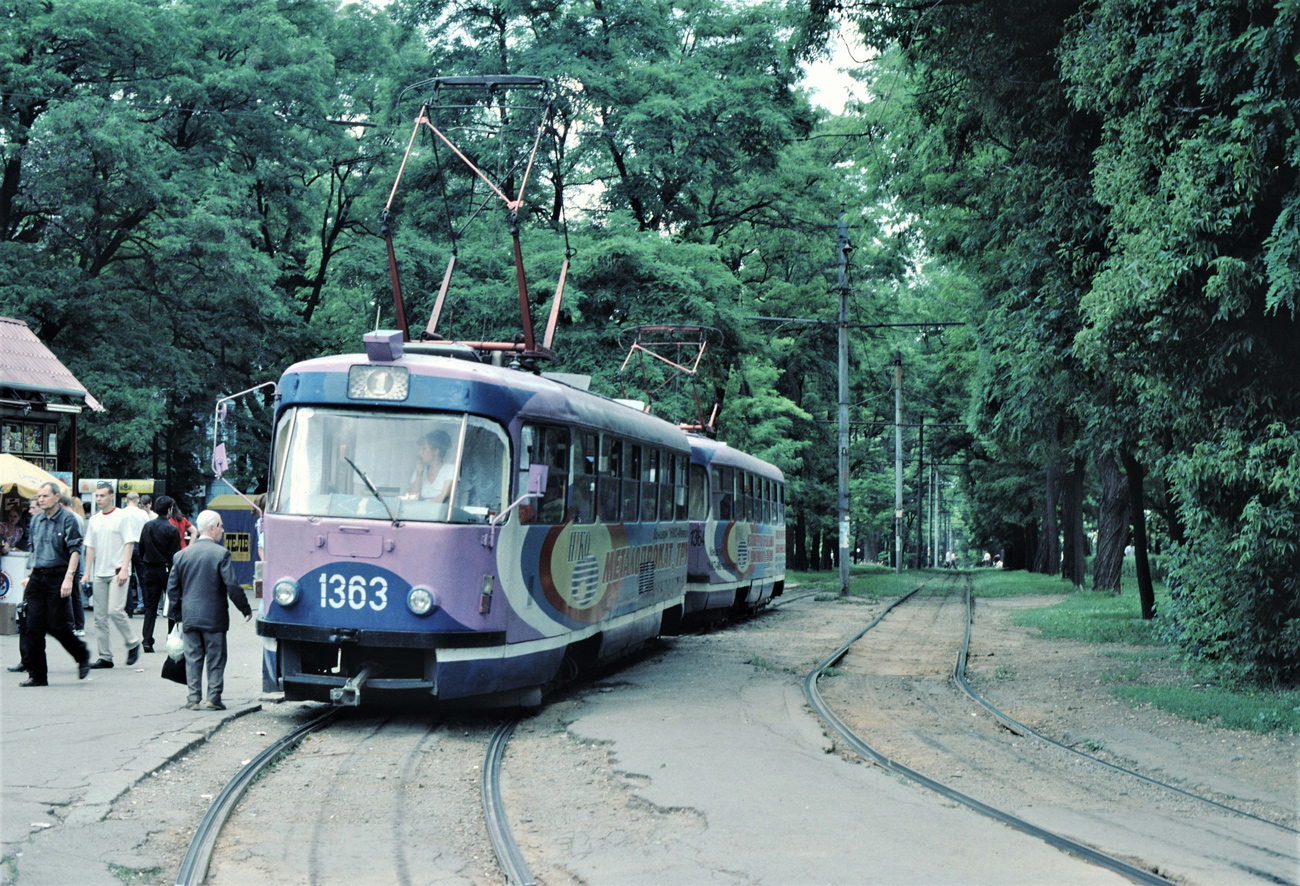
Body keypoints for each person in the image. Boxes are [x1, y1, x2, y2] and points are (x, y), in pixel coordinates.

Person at [166, 510, 252, 710]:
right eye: (221, 526)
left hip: (190, 616)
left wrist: (177, 615)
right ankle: (213, 697)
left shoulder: (181, 555)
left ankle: (193, 698)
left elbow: (172, 589)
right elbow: (232, 585)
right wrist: (245, 609)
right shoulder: (221, 554)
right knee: (216, 658)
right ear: (212, 528)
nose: (223, 530)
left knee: (192, 658)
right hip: (214, 617)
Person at [15, 482, 90, 686]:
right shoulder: (36, 520)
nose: (41, 500)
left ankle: (81, 654)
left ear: (57, 498)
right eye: (39, 496)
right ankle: (37, 676)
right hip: (38, 576)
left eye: (45, 496)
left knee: (56, 625)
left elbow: (75, 550)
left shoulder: (68, 519)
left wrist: (69, 578)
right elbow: (35, 550)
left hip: (59, 575)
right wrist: (31, 575)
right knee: (32, 626)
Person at [83, 481, 142, 669]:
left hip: (117, 571)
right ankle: (105, 656)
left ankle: (133, 642)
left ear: (111, 496)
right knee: (99, 617)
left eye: (102, 495)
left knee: (115, 610)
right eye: (97, 496)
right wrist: (86, 573)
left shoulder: (122, 516)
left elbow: (129, 543)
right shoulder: (94, 520)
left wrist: (125, 568)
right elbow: (90, 548)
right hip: (99, 573)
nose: (98, 499)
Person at [138, 495, 182, 653]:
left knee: (151, 606)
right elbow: (175, 554)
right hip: (167, 569)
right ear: (169, 510)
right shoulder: (172, 529)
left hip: (150, 568)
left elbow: (141, 548)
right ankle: (171, 637)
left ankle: (147, 639)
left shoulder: (148, 526)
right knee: (171, 605)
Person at [59, 492, 88, 636]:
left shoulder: (70, 518)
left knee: (73, 594)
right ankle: (79, 625)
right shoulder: (78, 517)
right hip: (77, 557)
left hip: (72, 558)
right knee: (75, 594)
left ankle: (76, 624)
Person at [405, 430, 454, 501]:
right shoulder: (419, 470)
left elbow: (444, 496)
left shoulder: (450, 469)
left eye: (424, 449)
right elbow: (411, 498)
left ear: (436, 451)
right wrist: (419, 476)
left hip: (439, 508)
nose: (420, 453)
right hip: (418, 507)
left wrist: (425, 506)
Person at [122, 492, 149, 616]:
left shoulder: (122, 513)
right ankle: (147, 607)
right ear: (138, 500)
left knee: (126, 575)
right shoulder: (143, 514)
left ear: (126, 500)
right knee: (143, 577)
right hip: (139, 545)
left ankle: (128, 608)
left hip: (126, 545)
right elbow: (146, 530)